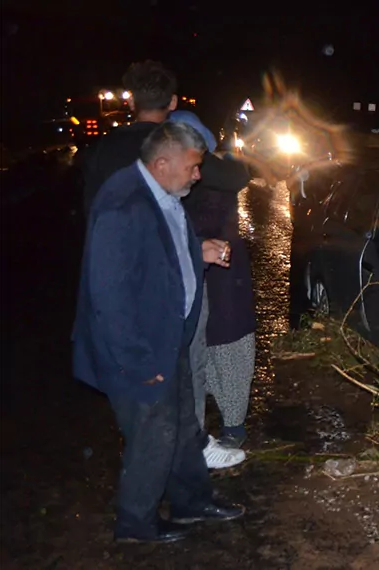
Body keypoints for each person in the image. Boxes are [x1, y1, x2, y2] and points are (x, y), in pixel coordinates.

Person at [71, 122, 245, 544]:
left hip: (169, 339)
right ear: (163, 162)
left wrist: (197, 250)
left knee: (184, 425)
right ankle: (135, 522)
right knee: (154, 434)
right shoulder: (123, 204)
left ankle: (191, 502)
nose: (198, 175)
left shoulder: (162, 192)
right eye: (193, 167)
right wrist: (137, 362)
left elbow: (161, 251)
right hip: (140, 350)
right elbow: (108, 295)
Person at [169, 110, 256, 450]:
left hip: (219, 265)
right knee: (211, 342)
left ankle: (228, 426)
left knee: (222, 341)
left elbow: (235, 175)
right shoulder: (218, 169)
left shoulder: (205, 169)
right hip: (202, 264)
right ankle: (220, 427)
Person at [79, 60, 177, 218]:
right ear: (173, 102)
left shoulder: (100, 149)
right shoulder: (182, 147)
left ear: (131, 102)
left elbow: (91, 208)